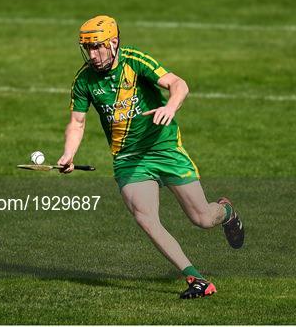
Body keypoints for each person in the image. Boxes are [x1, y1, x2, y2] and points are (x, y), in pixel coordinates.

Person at [58, 15, 244, 299]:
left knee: (203, 219)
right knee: (145, 218)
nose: (92, 55)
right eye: (88, 48)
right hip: (129, 158)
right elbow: (77, 122)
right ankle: (196, 279)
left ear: (114, 43)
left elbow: (178, 83)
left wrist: (170, 107)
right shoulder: (84, 80)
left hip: (164, 148)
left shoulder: (135, 61)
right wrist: (68, 155)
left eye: (98, 47)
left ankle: (226, 212)